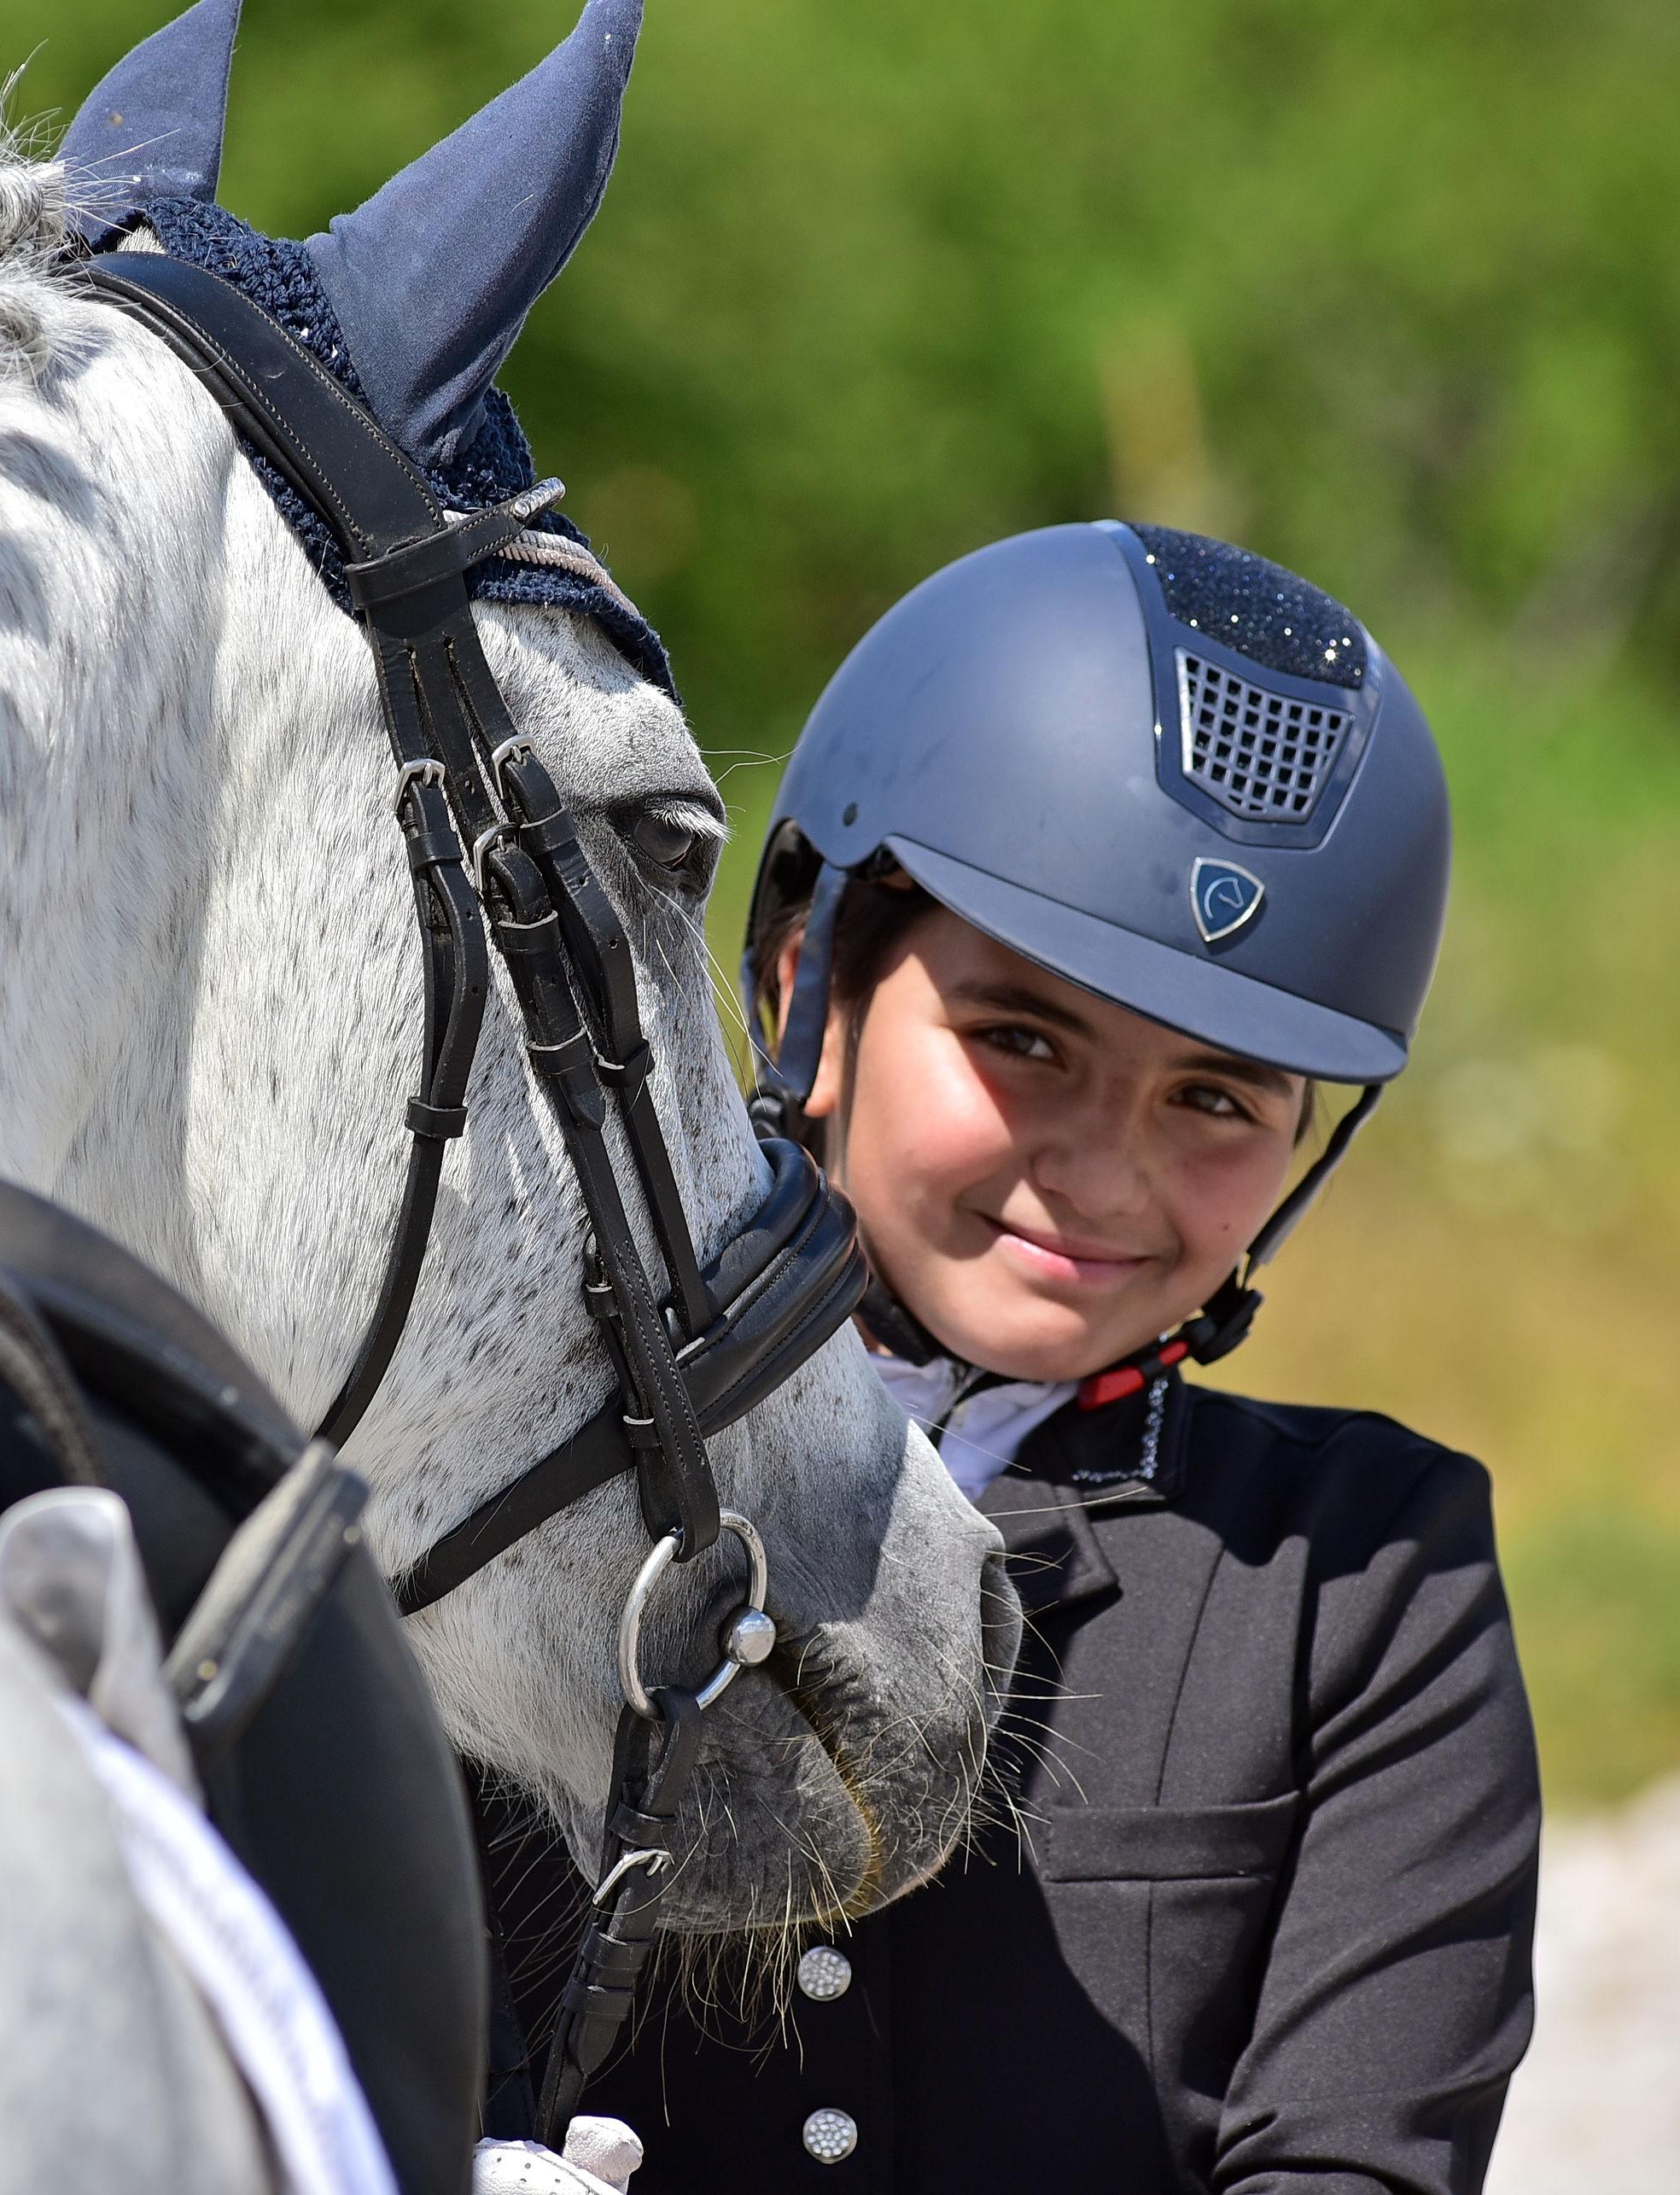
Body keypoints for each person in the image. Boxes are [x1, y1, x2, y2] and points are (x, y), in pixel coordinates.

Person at [481, 522, 1541, 2192]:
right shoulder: (508, 1493)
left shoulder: (1365, 1578)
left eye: (1216, 1097)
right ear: (801, 983)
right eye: (1023, 1038)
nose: (1107, 1172)